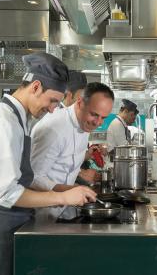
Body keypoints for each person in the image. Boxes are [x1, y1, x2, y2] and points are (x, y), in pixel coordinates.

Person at [0, 53, 96, 275]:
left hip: (15, 221)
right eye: (53, 100)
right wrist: (62, 197)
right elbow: (7, 193)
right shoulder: (2, 123)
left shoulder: (20, 120)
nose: (54, 108)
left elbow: (25, 177)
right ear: (35, 87)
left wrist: (65, 189)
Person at [30, 82, 114, 216]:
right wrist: (70, 190)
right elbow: (34, 177)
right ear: (80, 103)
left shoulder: (84, 124)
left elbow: (67, 161)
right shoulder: (53, 129)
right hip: (40, 212)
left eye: (103, 118)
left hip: (63, 209)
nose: (98, 123)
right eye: (94, 114)